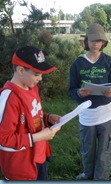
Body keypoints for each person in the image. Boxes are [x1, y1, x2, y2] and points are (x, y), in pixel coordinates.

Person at [0, 45, 61, 180]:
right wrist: (38, 137)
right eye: (37, 74)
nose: (40, 78)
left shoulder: (32, 88)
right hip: (21, 167)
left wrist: (48, 118)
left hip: (39, 157)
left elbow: (32, 117)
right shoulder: (9, 98)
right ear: (21, 70)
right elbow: (3, 140)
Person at [68, 23, 111, 180]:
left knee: (105, 148)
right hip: (86, 115)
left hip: (106, 114)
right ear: (86, 41)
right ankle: (88, 174)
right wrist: (79, 92)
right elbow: (71, 90)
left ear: (103, 42)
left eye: (99, 40)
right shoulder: (77, 64)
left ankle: (101, 177)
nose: (95, 44)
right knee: (87, 148)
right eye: (92, 40)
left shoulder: (110, 62)